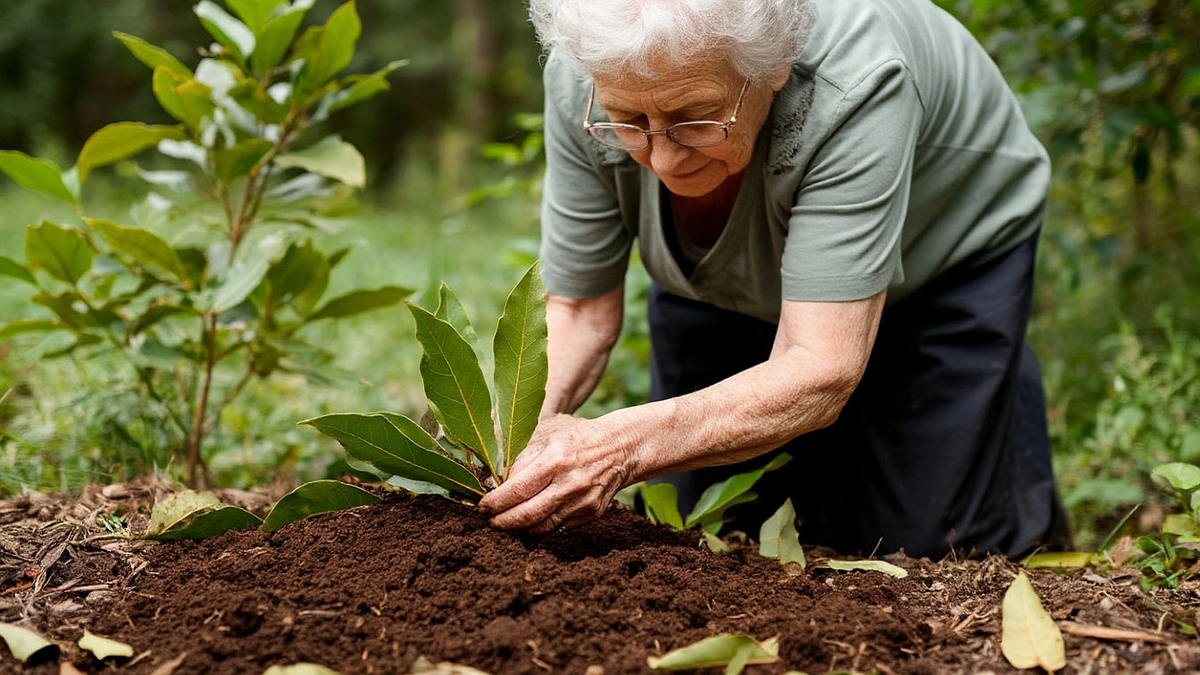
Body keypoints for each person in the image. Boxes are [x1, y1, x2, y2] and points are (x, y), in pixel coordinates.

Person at [477, 0, 1071, 559]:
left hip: (943, 256)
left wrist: (617, 446)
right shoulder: (587, 70)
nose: (662, 160)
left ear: (774, 67)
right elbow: (579, 310)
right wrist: (513, 441)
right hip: (721, 283)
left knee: (929, 542)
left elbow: (820, 364)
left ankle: (1000, 427)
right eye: (630, 120)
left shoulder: (858, 81)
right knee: (719, 533)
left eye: (694, 118)